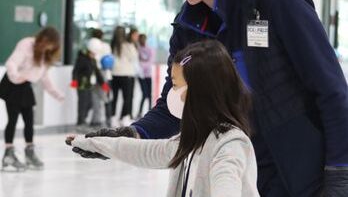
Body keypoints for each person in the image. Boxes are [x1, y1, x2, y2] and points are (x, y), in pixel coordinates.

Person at [69, 0, 348, 196]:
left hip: (304, 174)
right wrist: (132, 134)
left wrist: (339, 172)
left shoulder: (274, 0)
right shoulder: (187, 28)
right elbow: (176, 104)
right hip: (240, 169)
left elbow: (332, 91)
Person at [67, 40, 259, 197]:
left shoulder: (229, 145)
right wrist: (97, 143)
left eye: (175, 85)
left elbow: (226, 186)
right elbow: (147, 151)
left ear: (200, 90)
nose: (171, 94)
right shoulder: (193, 139)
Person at [0, 26, 64, 171]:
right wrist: (16, 77)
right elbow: (12, 63)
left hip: (25, 86)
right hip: (12, 85)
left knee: (29, 120)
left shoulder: (45, 55)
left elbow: (44, 78)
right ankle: (8, 155)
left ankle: (29, 152)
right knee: (13, 119)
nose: (50, 47)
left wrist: (57, 94)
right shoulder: (27, 44)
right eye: (49, 43)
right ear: (44, 39)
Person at [70, 38, 110, 130]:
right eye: (93, 53)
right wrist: (74, 80)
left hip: (89, 85)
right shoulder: (81, 59)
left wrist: (103, 84)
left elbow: (97, 73)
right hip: (82, 85)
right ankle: (80, 122)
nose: (94, 55)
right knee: (82, 104)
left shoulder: (93, 60)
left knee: (90, 103)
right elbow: (75, 71)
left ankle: (83, 120)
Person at [110, 26, 139, 126]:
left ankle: (113, 117)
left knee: (114, 97)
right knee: (127, 97)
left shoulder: (112, 44)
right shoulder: (127, 45)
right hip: (126, 74)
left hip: (114, 74)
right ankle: (124, 117)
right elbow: (134, 57)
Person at [137, 34, 154, 119]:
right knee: (144, 94)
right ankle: (139, 112)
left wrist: (142, 63)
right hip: (141, 76)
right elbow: (137, 62)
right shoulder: (137, 49)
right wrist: (143, 63)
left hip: (148, 75)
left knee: (149, 94)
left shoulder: (150, 49)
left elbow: (150, 61)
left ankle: (150, 110)